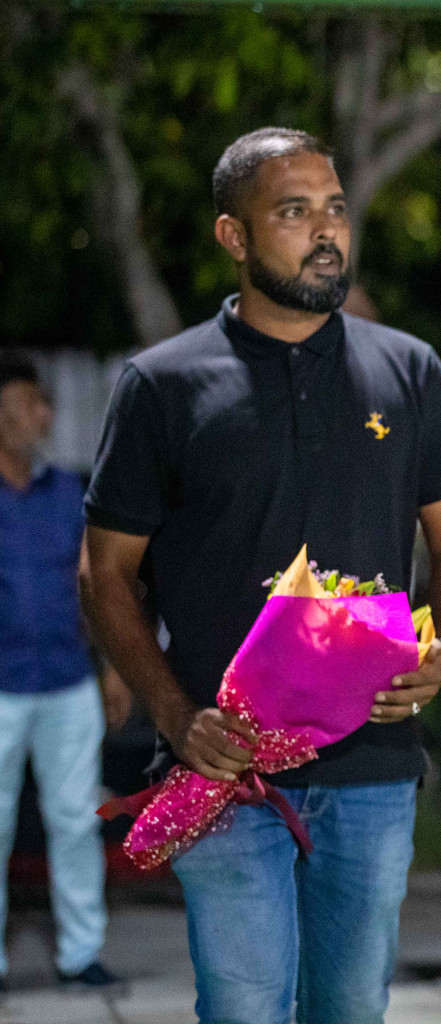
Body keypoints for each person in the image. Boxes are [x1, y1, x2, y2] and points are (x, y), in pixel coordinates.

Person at [78, 127, 441, 1024]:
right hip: (222, 764)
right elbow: (105, 574)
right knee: (247, 1004)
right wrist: (176, 714)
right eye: (294, 211)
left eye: (334, 208)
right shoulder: (163, 384)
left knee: (349, 1008)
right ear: (234, 236)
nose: (324, 230)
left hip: (373, 766)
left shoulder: (409, 369)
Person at [0, 352, 126, 992]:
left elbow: (96, 584)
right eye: (27, 403)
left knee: (76, 819)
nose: (42, 416)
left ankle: (81, 954)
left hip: (68, 677)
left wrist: (115, 666)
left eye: (44, 403)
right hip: (1, 685)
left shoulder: (70, 491)